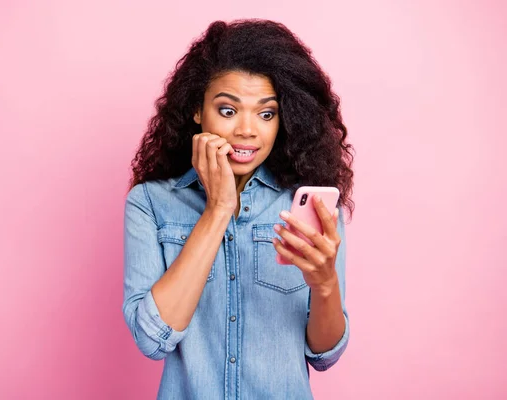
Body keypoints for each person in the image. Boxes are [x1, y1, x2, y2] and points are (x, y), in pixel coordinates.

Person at [122, 18, 355, 400]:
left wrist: (325, 283)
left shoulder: (311, 204)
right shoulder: (150, 203)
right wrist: (217, 210)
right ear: (197, 110)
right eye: (228, 110)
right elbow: (152, 339)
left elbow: (325, 355)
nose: (248, 130)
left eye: (266, 114)